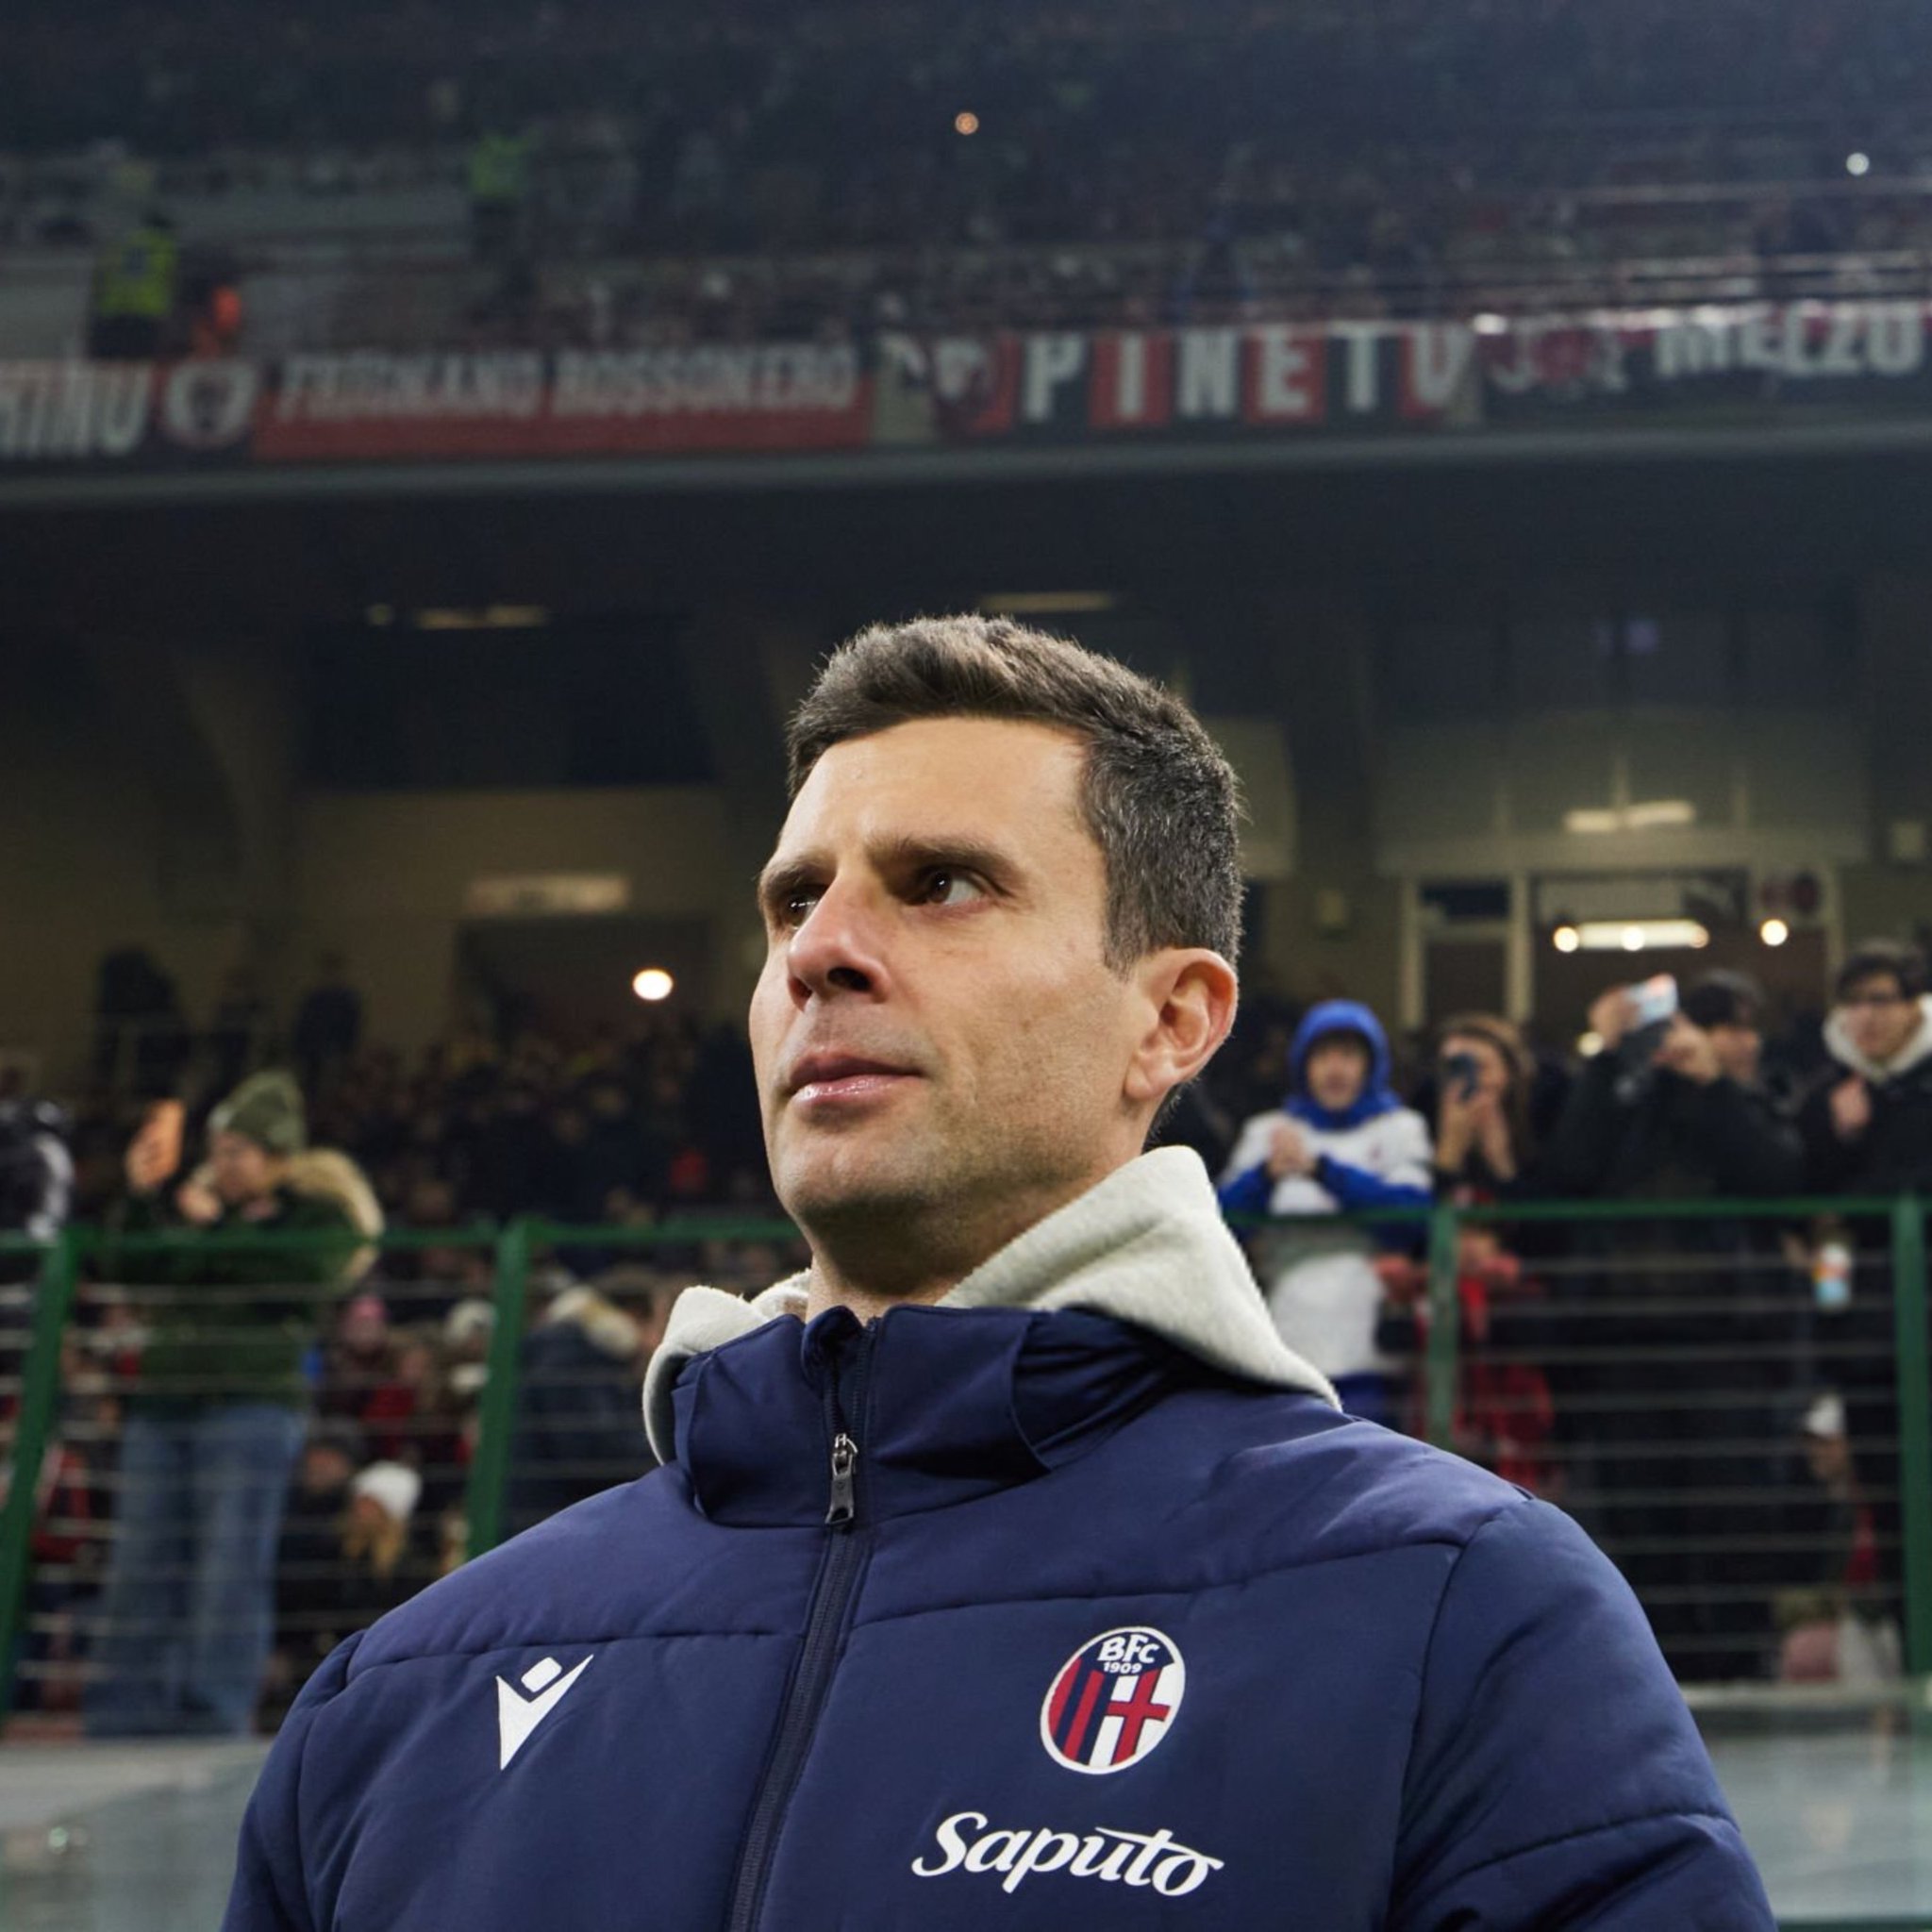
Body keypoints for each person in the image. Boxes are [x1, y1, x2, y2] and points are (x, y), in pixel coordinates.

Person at [226, 618, 1771, 1929]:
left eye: (941, 883)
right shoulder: (404, 1693)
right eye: (793, 899)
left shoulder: (1455, 1617)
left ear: (1171, 1019)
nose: (818, 949)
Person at [85, 1072, 382, 1738]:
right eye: (217, 1151)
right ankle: (120, 1713)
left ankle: (212, 1716)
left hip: (251, 1407)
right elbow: (132, 1266)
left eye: (236, 1152)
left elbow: (299, 1277)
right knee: (140, 1562)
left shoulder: (317, 1216)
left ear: (277, 1155)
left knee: (229, 1565)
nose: (221, 1164)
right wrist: (140, 1198)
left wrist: (214, 1232)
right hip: (164, 1405)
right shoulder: (198, 1210)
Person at [1541, 970, 1806, 1679]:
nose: (1727, 1041)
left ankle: (1739, 1671)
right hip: (1622, 1346)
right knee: (1637, 1520)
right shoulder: (1624, 1099)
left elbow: (1778, 1180)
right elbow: (1570, 1168)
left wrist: (1712, 1087)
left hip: (1730, 1346)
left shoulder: (1756, 1098)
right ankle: (1651, 1683)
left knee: (1734, 1516)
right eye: (1711, 1026)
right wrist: (1608, 1057)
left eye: (1738, 1027)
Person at [1216, 999, 1433, 1425]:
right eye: (1323, 1055)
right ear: (1303, 1064)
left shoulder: (1401, 1129)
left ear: (1371, 1064)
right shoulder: (1267, 1133)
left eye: (1348, 1055)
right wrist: (1264, 1177)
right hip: (1283, 1341)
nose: (1335, 1069)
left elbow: (1411, 1220)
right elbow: (1218, 1225)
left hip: (1370, 1349)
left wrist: (1322, 1170)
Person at [1798, 939, 1932, 1195]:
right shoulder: (1825, 1093)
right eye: (1853, 1002)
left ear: (1913, 1007)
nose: (1866, 1016)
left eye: (1880, 1000)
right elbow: (1809, 1187)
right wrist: (1841, 1138)